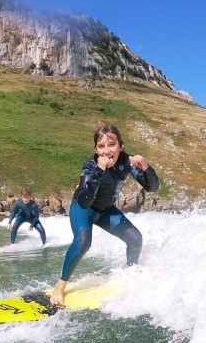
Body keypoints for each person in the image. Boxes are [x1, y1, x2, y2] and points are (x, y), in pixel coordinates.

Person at [50, 124, 160, 308]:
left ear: (121, 146)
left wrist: (146, 168)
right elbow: (84, 201)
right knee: (83, 242)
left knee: (135, 239)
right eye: (101, 146)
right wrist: (99, 171)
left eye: (111, 145)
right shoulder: (90, 166)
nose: (106, 151)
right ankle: (60, 286)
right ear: (95, 149)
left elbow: (153, 187)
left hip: (105, 211)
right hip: (83, 209)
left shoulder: (127, 162)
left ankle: (130, 274)